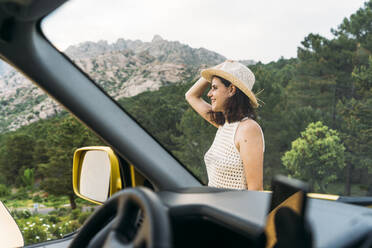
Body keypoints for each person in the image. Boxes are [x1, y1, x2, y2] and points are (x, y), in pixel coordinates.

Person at [185, 60, 264, 190]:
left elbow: (255, 190)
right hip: (214, 207)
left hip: (232, 209)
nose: (209, 94)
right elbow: (190, 96)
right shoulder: (225, 124)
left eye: (214, 88)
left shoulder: (248, 129)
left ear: (231, 89)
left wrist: (219, 69)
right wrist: (219, 67)